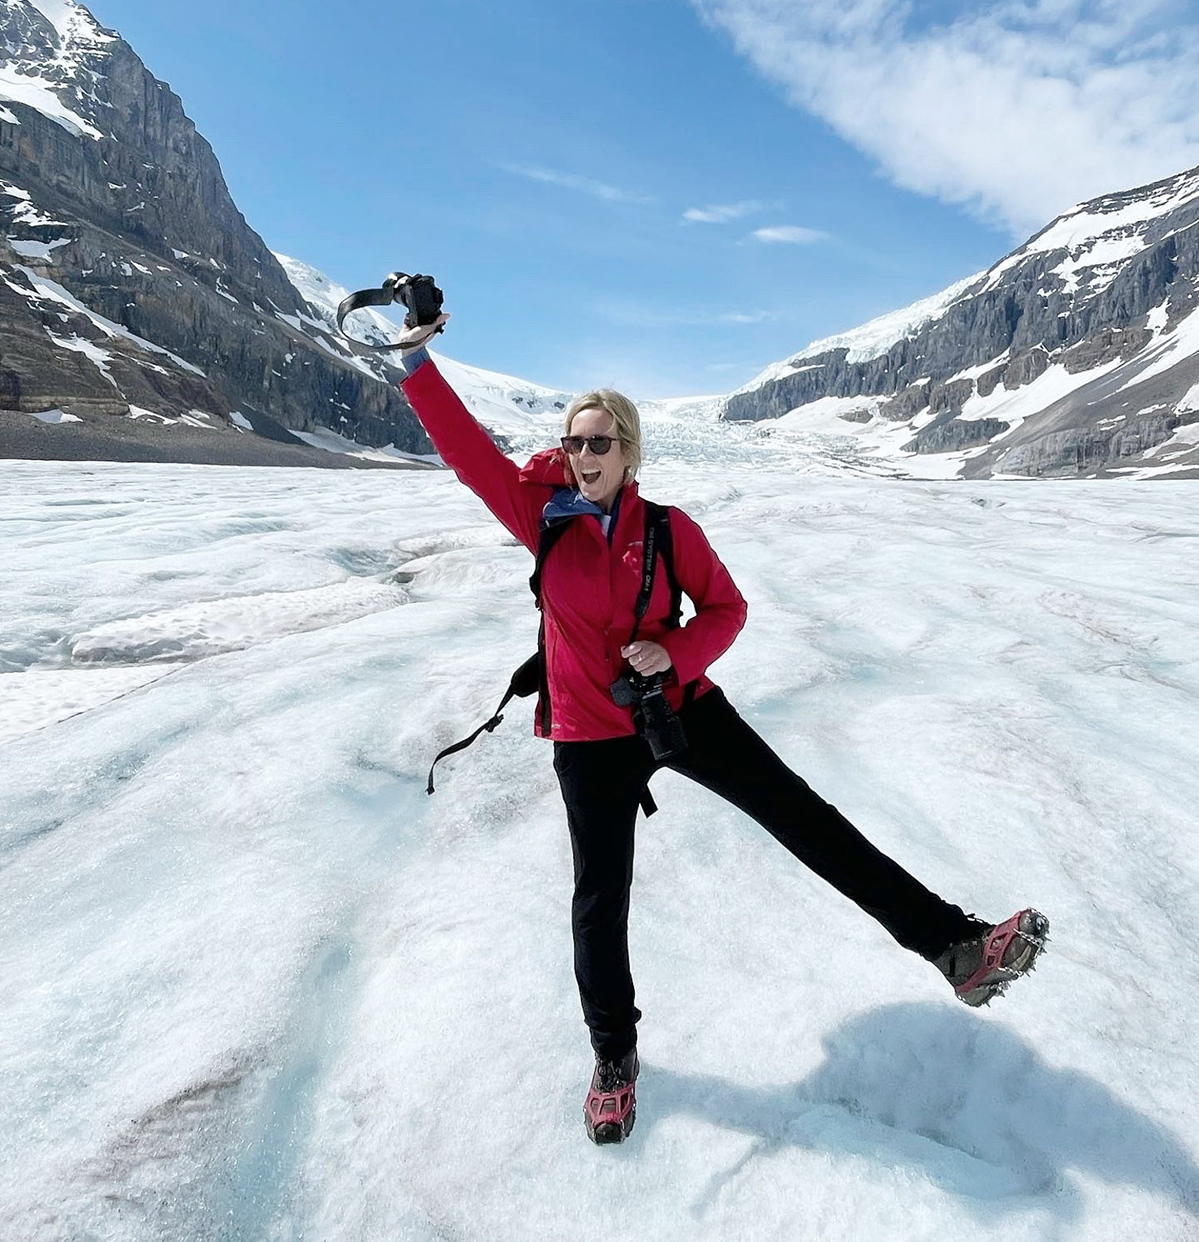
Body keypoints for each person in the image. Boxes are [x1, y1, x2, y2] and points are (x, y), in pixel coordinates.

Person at [389, 307, 1046, 1146]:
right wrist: (416, 365)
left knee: (808, 820)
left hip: (682, 710)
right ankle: (614, 1061)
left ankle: (958, 949)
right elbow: (468, 455)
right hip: (591, 738)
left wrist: (676, 655)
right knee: (600, 902)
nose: (584, 456)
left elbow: (728, 608)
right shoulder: (540, 521)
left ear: (629, 453)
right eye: (575, 442)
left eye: (601, 443)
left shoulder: (669, 529)